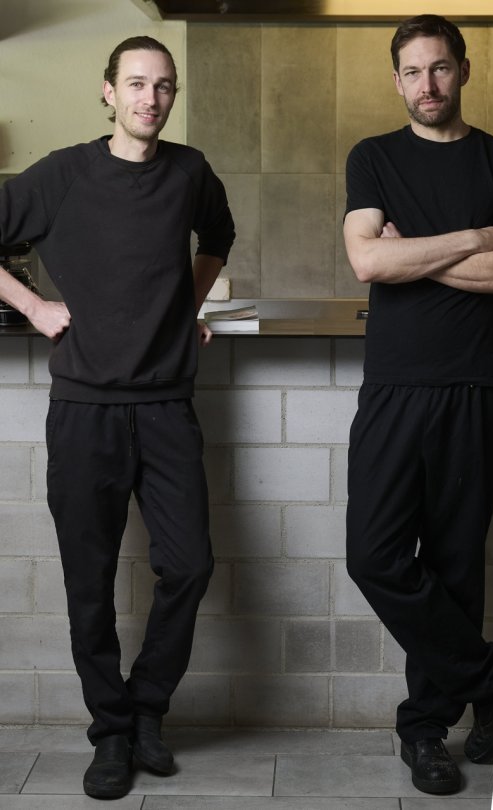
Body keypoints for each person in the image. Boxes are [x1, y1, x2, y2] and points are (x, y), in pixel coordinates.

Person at [0, 37, 234, 799]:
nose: (150, 99)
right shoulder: (62, 175)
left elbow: (218, 240)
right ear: (108, 92)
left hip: (167, 408)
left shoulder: (189, 171)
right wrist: (33, 305)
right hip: (85, 412)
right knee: (89, 584)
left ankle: (146, 712)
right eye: (136, 85)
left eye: (163, 86)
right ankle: (110, 732)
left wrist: (184, 306)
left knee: (189, 565)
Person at [341, 14, 493, 795]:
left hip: (476, 388)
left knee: (458, 565)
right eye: (413, 72)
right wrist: (472, 238)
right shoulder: (374, 158)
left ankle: (426, 730)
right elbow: (366, 258)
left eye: (440, 70)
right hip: (394, 387)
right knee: (376, 555)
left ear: (464, 69)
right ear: (397, 80)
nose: (427, 86)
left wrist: (415, 254)